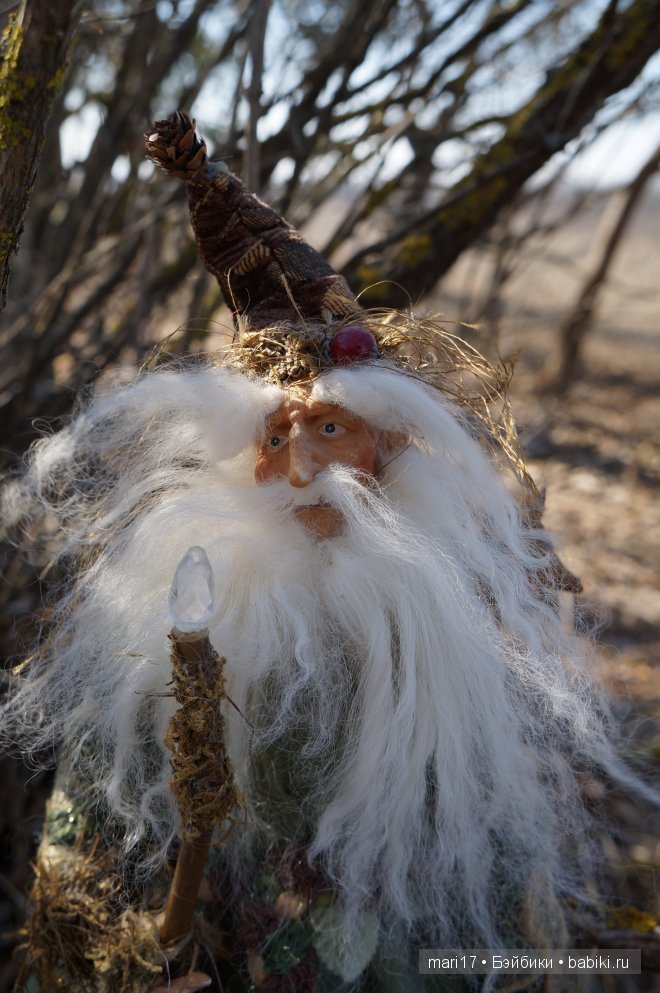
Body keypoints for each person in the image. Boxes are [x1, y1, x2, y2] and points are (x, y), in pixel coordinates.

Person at [0, 113, 632, 993]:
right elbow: (82, 875)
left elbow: (506, 888)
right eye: (272, 436)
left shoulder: (448, 649)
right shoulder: (148, 641)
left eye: (329, 429)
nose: (297, 470)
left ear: (389, 447)